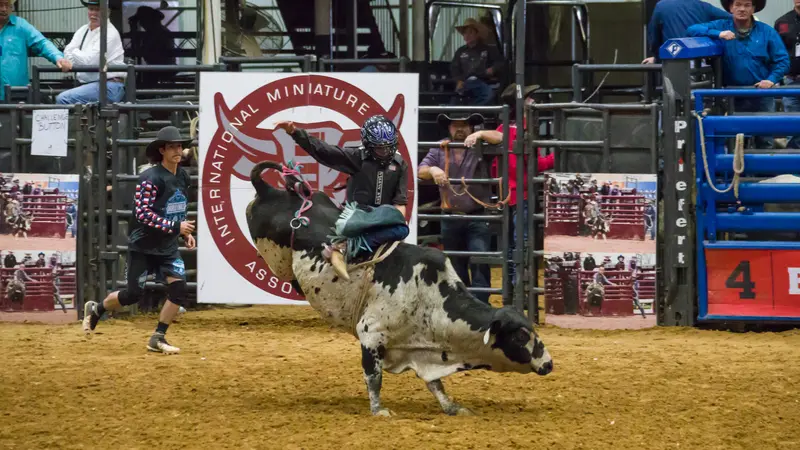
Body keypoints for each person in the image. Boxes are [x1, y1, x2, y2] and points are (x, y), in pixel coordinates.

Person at [82, 126, 195, 354]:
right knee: (133, 294)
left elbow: (178, 207)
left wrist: (185, 232)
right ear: (161, 150)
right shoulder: (149, 178)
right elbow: (142, 214)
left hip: (168, 246)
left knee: (179, 289)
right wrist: (176, 226)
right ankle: (98, 309)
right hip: (143, 247)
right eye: (172, 146)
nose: (177, 150)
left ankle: (158, 336)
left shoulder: (183, 176)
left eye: (179, 146)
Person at [275, 115, 409, 280]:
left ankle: (344, 247)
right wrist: (295, 132)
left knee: (403, 229)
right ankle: (343, 247)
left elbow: (400, 201)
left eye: (388, 147)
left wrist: (395, 219)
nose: (385, 152)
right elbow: (324, 151)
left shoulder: (400, 163)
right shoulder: (356, 156)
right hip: (358, 214)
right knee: (348, 227)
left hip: (383, 216)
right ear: (368, 145)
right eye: (380, 148)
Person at [463, 83, 555, 296]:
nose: (534, 101)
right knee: (519, 243)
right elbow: (528, 164)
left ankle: (516, 289)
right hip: (518, 195)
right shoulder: (517, 129)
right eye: (530, 98)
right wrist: (555, 157)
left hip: (514, 194)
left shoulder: (514, 127)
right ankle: (518, 289)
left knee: (517, 243)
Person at [687, 0, 789, 149]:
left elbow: (783, 61)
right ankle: (739, 172)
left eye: (747, 5)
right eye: (738, 5)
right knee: (736, 139)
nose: (742, 9)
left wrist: (771, 80)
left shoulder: (767, 32)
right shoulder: (721, 26)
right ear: (730, 7)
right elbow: (691, 29)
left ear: (754, 8)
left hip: (761, 93)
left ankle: (765, 172)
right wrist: (718, 34)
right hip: (733, 95)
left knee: (765, 138)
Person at [418, 113, 492, 303]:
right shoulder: (439, 148)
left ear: (471, 127)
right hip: (451, 215)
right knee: (455, 263)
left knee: (479, 259)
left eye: (464, 125)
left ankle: (480, 305)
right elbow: (421, 170)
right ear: (449, 128)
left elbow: (501, 138)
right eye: (455, 125)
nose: (460, 129)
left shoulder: (480, 144)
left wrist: (481, 134)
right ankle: (462, 304)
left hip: (477, 214)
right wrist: (433, 169)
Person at [0, 0, 71, 101]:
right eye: (0, 5)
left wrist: (58, 57)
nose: (3, 9)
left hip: (16, 95)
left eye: (7, 5)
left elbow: (41, 43)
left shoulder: (20, 25)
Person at [57, 0, 126, 105]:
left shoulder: (110, 33)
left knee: (63, 99)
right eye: (91, 9)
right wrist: (77, 56)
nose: (93, 13)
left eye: (98, 10)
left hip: (109, 85)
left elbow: (90, 62)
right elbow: (67, 53)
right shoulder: (83, 29)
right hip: (92, 85)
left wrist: (74, 50)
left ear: (108, 12)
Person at [643, 0, 730, 64]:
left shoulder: (661, 6)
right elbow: (732, 18)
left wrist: (657, 57)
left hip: (674, 59)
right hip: (700, 62)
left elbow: (654, 38)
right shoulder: (704, 7)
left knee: (674, 88)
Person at [450, 18, 503, 106]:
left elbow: (499, 63)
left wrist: (492, 69)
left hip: (483, 81)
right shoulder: (460, 51)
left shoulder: (488, 49)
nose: (467, 35)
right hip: (465, 82)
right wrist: (458, 80)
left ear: (477, 34)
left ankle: (470, 110)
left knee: (488, 95)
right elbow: (454, 68)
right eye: (465, 33)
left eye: (470, 32)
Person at [775, 2, 800, 148]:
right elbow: (776, 52)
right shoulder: (782, 22)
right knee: (793, 125)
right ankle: (795, 168)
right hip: (791, 81)